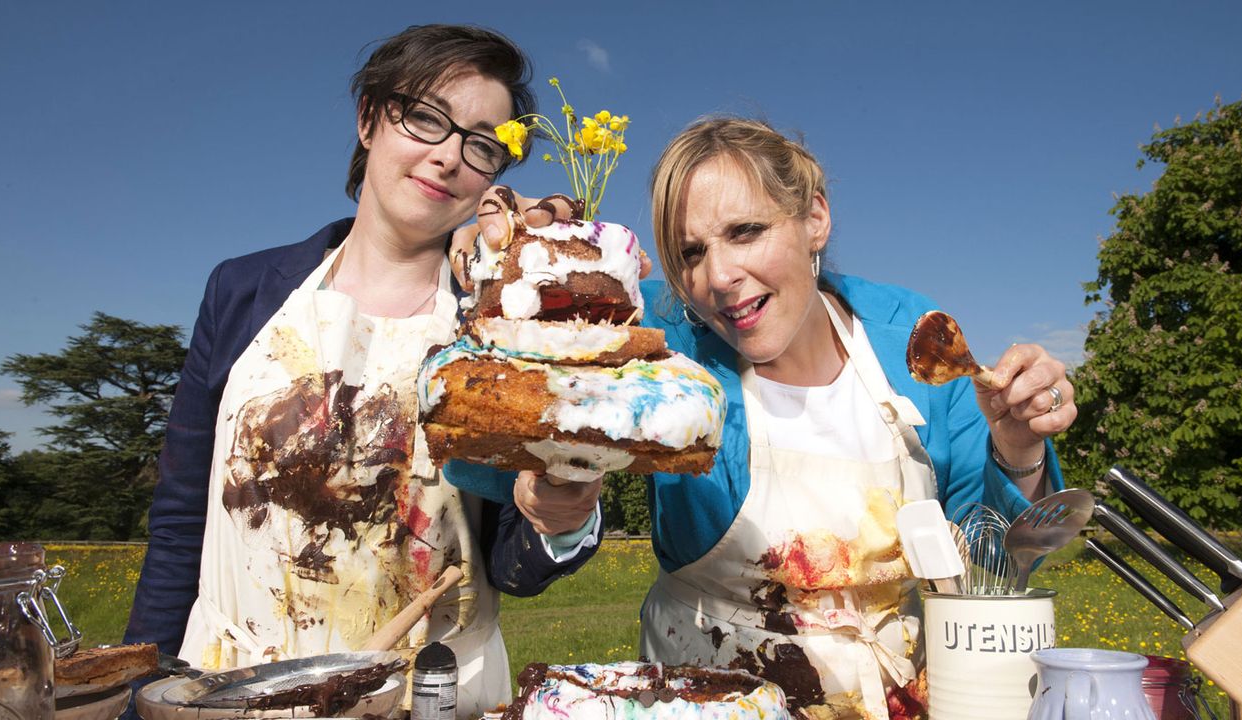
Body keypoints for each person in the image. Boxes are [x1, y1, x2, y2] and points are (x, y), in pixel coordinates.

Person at [451, 117, 1075, 719]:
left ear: (815, 218)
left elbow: (992, 572)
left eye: (746, 231)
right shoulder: (666, 345)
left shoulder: (911, 339)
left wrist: (1017, 450)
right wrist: (527, 264)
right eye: (691, 252)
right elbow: (478, 452)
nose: (719, 277)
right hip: (705, 700)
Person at [123, 24, 601, 718]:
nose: (447, 158)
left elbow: (512, 561)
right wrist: (147, 691)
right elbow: (178, 521)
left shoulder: (501, 325)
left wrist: (563, 515)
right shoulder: (244, 293)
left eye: (480, 143)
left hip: (433, 696)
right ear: (370, 118)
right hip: (229, 692)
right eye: (427, 118)